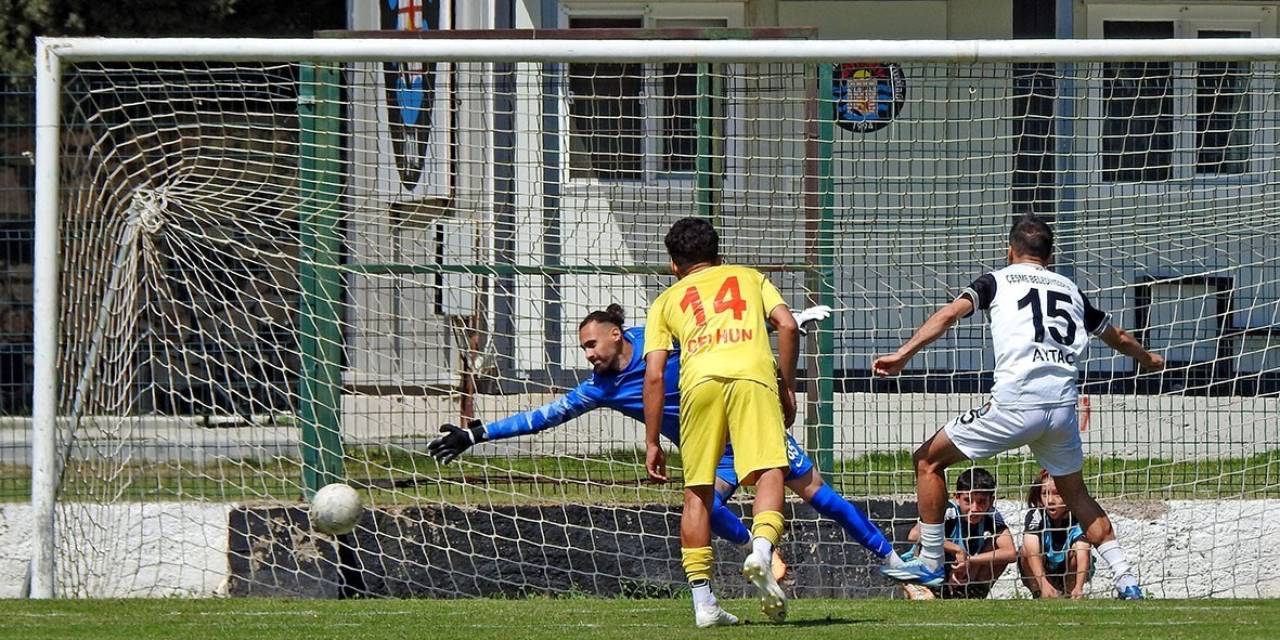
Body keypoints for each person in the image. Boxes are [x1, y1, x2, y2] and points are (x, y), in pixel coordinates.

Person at [426, 302, 905, 615]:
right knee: (701, 507)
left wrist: (786, 322)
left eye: (592, 344)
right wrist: (477, 433)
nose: (588, 354)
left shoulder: (661, 340)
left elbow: (720, 333)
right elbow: (542, 416)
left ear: (617, 334)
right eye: (583, 348)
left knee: (821, 496)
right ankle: (765, 555)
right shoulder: (601, 389)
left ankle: (896, 563)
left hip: (749, 426)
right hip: (713, 452)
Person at [873, 213, 1164, 600]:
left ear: (1011, 250)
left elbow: (946, 316)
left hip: (1016, 404)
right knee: (1076, 495)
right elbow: (1121, 337)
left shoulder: (997, 280)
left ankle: (928, 560)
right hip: (1062, 408)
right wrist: (1149, 360)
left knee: (928, 460)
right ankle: (1126, 579)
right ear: (1051, 255)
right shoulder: (1071, 290)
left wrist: (903, 354)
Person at [643, 217, 796, 627]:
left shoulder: (666, 300)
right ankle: (762, 552)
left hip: (698, 384)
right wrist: (787, 387)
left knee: (697, 491)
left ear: (673, 265)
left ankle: (704, 604)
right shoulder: (749, 277)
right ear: (719, 255)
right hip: (752, 375)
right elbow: (788, 324)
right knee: (769, 471)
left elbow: (655, 374)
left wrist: (653, 440)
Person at [901, 467, 1015, 600]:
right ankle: (919, 585)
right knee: (927, 544)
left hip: (962, 569)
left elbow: (1010, 552)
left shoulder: (991, 515)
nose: (975, 508)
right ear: (957, 497)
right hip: (932, 567)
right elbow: (913, 535)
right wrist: (956, 550)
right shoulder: (947, 511)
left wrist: (968, 560)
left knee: (995, 547)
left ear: (991, 500)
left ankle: (971, 594)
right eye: (968, 500)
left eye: (982, 502)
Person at [1020, 468, 1095, 599]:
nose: (1050, 500)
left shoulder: (1078, 517)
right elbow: (1030, 549)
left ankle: (1071, 593)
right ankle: (1039, 593)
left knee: (1077, 552)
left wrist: (1079, 586)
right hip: (1044, 568)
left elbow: (1083, 551)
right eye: (1045, 494)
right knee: (1024, 551)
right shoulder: (1036, 515)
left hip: (1068, 567)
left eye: (1057, 494)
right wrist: (1043, 584)